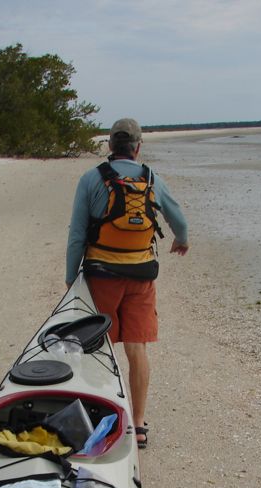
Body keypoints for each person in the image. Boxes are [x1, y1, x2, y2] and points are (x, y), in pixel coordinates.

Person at [66, 117, 189, 449]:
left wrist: (70, 280)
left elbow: (77, 236)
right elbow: (179, 221)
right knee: (137, 348)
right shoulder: (152, 180)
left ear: (109, 146)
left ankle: (101, 417)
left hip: (101, 275)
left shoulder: (91, 179)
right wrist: (181, 240)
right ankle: (137, 426)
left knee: (98, 348)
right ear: (138, 147)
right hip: (141, 277)